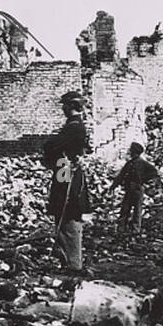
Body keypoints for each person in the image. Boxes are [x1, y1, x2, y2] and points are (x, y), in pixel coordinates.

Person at [41, 90, 93, 275]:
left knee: (68, 210)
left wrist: (50, 148)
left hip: (66, 171)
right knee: (63, 211)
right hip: (66, 170)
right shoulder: (75, 125)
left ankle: (72, 262)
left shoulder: (74, 127)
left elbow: (52, 145)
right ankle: (67, 259)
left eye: (65, 105)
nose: (62, 108)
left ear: (71, 106)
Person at [111, 142, 158, 236]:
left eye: (131, 150)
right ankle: (121, 228)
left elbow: (154, 172)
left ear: (135, 152)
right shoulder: (129, 163)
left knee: (137, 209)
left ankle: (135, 229)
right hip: (129, 189)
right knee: (125, 208)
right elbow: (121, 176)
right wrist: (113, 186)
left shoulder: (142, 163)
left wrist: (143, 179)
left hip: (137, 188)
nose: (130, 152)